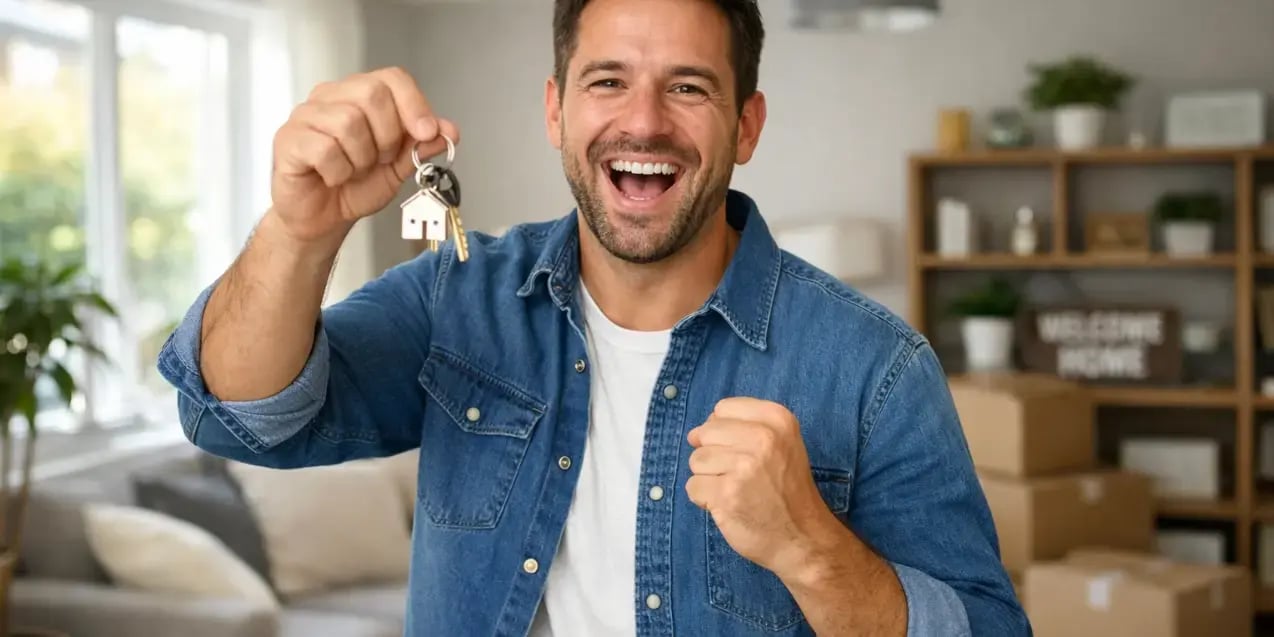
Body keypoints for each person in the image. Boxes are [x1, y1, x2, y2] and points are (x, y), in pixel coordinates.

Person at [157, 0, 1030, 635]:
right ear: (556, 110)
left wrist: (810, 549)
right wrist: (300, 232)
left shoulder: (877, 369)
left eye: (688, 86)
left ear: (747, 125)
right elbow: (245, 415)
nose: (643, 122)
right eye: (608, 81)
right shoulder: (456, 299)